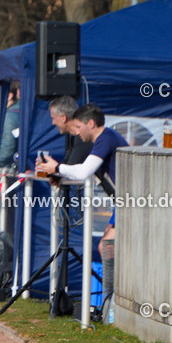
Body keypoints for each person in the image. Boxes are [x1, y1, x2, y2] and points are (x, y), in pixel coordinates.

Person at [37, 103, 127, 255]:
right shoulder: (103, 139)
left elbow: (83, 172)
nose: (77, 133)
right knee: (108, 245)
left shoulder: (106, 138)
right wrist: (56, 174)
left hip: (132, 202)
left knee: (107, 248)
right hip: (122, 203)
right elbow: (79, 169)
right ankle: (116, 278)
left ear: (90, 124)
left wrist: (57, 169)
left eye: (79, 127)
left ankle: (117, 280)